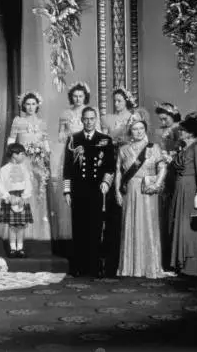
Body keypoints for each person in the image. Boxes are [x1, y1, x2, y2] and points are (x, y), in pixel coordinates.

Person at [115, 110, 171, 278]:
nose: (138, 132)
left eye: (141, 129)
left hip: (147, 190)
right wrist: (117, 191)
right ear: (130, 131)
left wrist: (157, 184)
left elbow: (162, 168)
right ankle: (130, 267)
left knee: (147, 224)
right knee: (130, 224)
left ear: (145, 130)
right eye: (134, 129)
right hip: (130, 190)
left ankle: (149, 266)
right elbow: (118, 171)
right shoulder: (123, 149)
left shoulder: (154, 148)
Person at [0, 91, 51, 241]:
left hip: (37, 162)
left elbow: (45, 143)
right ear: (23, 105)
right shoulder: (18, 121)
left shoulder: (42, 123)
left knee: (36, 193)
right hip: (21, 162)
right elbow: (11, 141)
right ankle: (15, 232)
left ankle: (35, 231)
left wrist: (46, 155)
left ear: (37, 105)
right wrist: (14, 156)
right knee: (20, 191)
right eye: (28, 104)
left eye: (33, 104)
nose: (30, 107)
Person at [63, 106, 114, 277]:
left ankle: (93, 266)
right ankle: (78, 266)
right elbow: (67, 167)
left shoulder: (105, 140)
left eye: (92, 118)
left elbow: (110, 166)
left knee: (95, 228)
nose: (89, 122)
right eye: (86, 118)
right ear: (81, 120)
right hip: (78, 190)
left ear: (96, 119)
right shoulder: (73, 139)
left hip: (96, 190)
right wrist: (67, 191)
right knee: (79, 228)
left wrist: (106, 183)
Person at [49, 82, 99, 245]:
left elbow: (97, 133)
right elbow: (60, 135)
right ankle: (69, 230)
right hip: (70, 151)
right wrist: (68, 135)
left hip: (88, 151)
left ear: (85, 97)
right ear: (71, 97)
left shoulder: (92, 113)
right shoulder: (65, 114)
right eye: (75, 96)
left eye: (81, 96)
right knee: (70, 184)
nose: (78, 99)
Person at [99, 87, 138, 276]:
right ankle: (111, 254)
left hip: (130, 162)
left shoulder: (134, 117)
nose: (116, 104)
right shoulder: (107, 118)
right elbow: (105, 140)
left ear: (127, 101)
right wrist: (114, 143)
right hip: (113, 159)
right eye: (114, 100)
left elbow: (138, 139)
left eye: (120, 101)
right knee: (113, 209)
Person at [169, 112, 197, 276]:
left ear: (190, 132)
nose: (181, 132)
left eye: (183, 130)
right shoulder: (182, 147)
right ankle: (179, 265)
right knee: (179, 225)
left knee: (189, 227)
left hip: (191, 189)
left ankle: (191, 267)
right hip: (179, 188)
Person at [154, 101, 182, 269]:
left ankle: (173, 256)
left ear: (172, 116)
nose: (162, 122)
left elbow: (182, 151)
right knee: (162, 214)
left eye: (165, 119)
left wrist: (169, 155)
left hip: (174, 173)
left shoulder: (180, 130)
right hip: (161, 172)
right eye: (161, 119)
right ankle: (161, 254)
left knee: (173, 213)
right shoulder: (160, 131)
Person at [0, 143, 34, 258]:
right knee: (12, 226)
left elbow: (28, 183)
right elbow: (0, 185)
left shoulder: (24, 169)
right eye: (21, 154)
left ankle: (20, 248)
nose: (23, 156)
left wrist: (25, 197)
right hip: (10, 198)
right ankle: (12, 248)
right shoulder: (4, 169)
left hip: (21, 197)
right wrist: (8, 197)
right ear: (14, 155)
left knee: (21, 225)